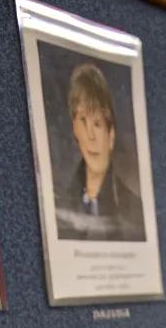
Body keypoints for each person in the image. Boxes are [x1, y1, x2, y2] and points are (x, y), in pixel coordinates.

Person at [54, 61, 144, 241]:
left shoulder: (135, 210)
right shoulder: (59, 207)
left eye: (97, 123)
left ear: (110, 135)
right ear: (74, 129)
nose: (90, 135)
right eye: (82, 121)